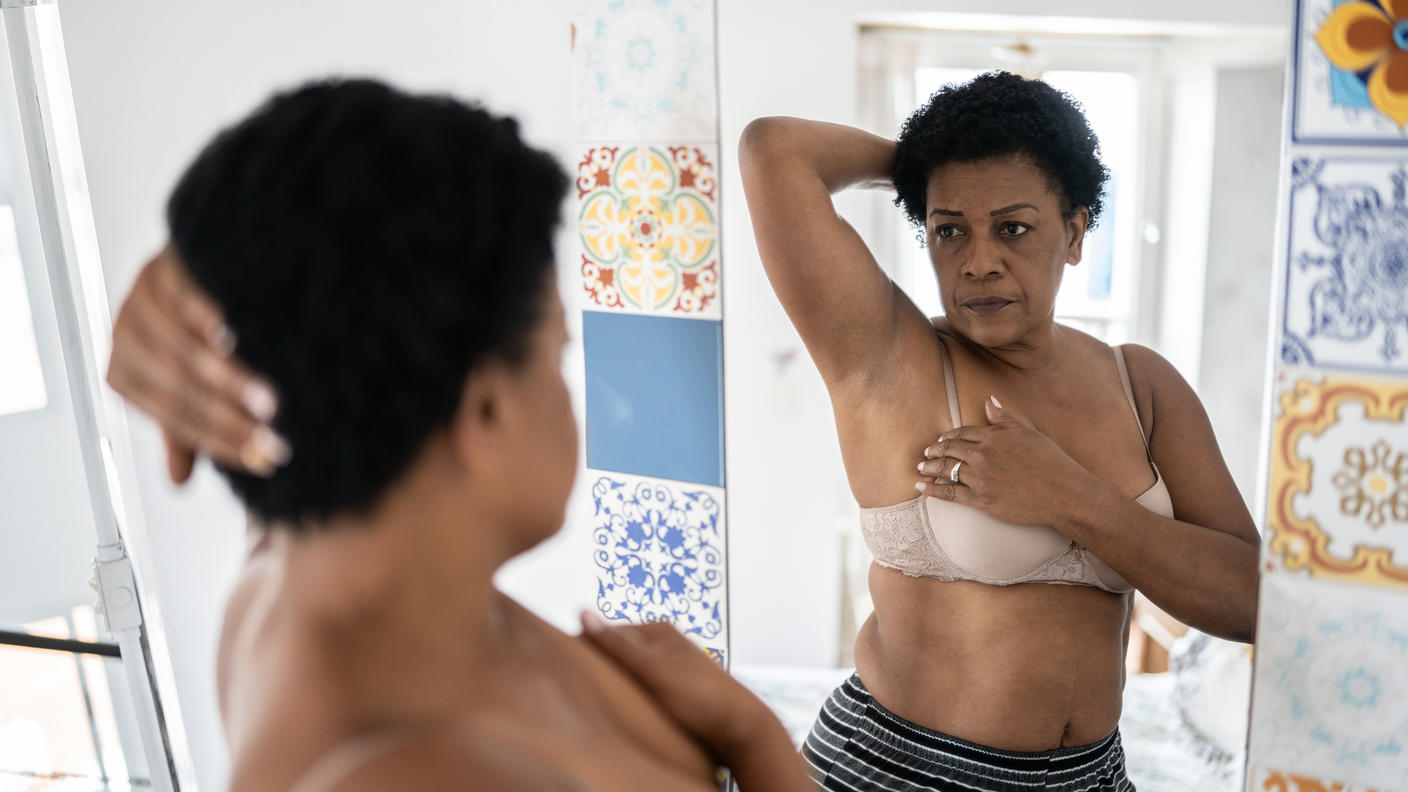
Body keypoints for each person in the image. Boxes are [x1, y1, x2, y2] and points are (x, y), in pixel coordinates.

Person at [106, 79, 811, 791]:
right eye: (559, 354)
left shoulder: (287, 572)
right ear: (485, 413)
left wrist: (183, 283)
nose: (598, 403)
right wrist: (753, 738)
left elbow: (320, 262)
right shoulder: (405, 773)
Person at [736, 71, 1259, 790]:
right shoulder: (890, 359)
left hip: (1093, 777)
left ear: (1074, 233)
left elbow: (1252, 602)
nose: (978, 261)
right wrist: (928, 160)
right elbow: (773, 151)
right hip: (900, 772)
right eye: (950, 229)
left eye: (1012, 226)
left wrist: (1070, 496)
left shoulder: (1143, 386)